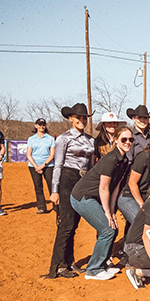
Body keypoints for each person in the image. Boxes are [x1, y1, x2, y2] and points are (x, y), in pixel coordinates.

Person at [70, 127, 132, 280]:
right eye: (124, 139)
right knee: (107, 229)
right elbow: (104, 188)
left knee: (112, 228)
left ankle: (103, 264)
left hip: (96, 198)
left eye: (130, 139)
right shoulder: (111, 159)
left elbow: (116, 186)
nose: (128, 142)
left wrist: (111, 211)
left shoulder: (123, 160)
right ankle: (93, 269)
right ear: (116, 140)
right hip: (83, 197)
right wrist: (107, 213)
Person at [44, 103, 95, 279]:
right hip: (67, 178)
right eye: (78, 118)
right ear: (71, 119)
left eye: (84, 118)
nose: (82, 120)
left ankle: (69, 261)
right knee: (65, 224)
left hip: (82, 180)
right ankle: (58, 266)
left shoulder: (90, 140)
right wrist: (54, 190)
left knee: (74, 223)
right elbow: (57, 165)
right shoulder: (64, 139)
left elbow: (91, 165)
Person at [26, 118, 56, 214]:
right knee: (38, 186)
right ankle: (41, 207)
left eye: (43, 125)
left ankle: (56, 206)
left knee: (51, 186)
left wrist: (43, 165)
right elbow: (28, 154)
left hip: (48, 165)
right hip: (33, 165)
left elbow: (52, 155)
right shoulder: (31, 139)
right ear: (36, 126)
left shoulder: (50, 139)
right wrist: (36, 166)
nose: (41, 127)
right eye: (39, 125)